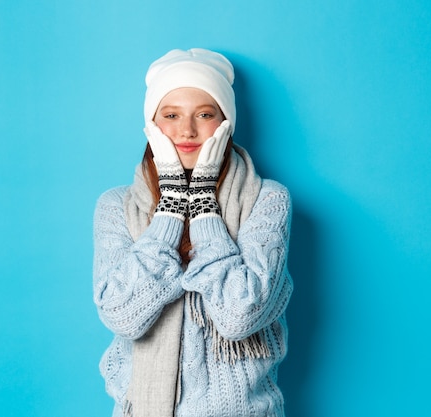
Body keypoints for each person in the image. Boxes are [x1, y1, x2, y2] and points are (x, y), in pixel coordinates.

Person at [93, 48, 293, 417]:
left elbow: (239, 317)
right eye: (171, 115)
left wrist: (202, 203)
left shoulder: (267, 199)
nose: (186, 130)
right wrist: (170, 207)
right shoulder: (116, 206)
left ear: (225, 123)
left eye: (204, 114)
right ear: (151, 124)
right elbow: (122, 316)